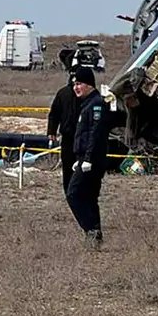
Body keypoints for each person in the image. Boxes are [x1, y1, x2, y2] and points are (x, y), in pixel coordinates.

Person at [65, 66, 110, 249]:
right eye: (75, 84)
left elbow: (95, 134)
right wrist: (79, 157)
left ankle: (91, 230)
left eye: (80, 84)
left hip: (92, 160)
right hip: (84, 158)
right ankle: (96, 237)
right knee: (89, 197)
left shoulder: (97, 104)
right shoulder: (87, 105)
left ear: (90, 85)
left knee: (73, 194)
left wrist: (88, 158)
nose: (76, 88)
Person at [47, 70, 82, 194]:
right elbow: (54, 114)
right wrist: (51, 130)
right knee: (67, 166)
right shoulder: (63, 93)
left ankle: (78, 190)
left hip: (82, 137)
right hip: (67, 137)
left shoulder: (87, 96)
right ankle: (68, 191)